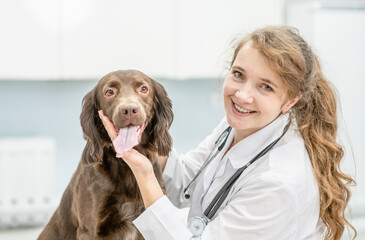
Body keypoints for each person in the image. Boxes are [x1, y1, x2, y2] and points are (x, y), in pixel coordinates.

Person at [99, 26, 356, 240]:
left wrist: (143, 172)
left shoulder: (278, 183)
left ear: (290, 101)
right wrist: (147, 141)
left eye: (265, 87)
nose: (242, 95)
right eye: (238, 74)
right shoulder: (238, 126)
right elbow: (186, 184)